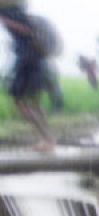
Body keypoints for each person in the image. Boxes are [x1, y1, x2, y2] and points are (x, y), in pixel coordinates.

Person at [1, 4, 54, 152]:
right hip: (34, 63)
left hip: (28, 63)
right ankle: (47, 139)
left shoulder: (12, 15)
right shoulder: (19, 13)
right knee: (34, 104)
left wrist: (5, 21)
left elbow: (25, 30)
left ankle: (48, 139)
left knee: (21, 103)